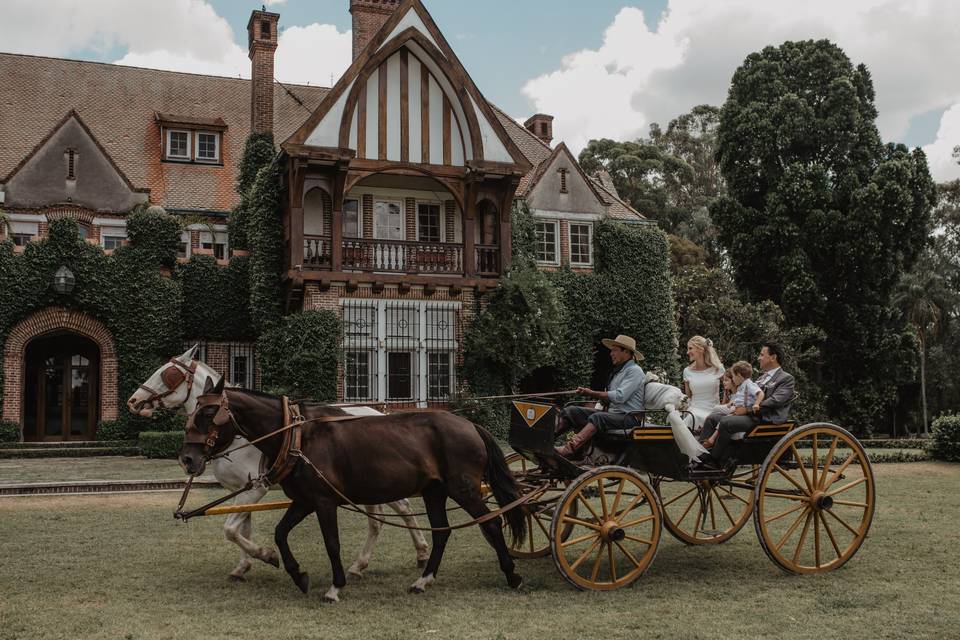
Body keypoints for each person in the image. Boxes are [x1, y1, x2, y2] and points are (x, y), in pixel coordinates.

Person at [696, 341, 796, 469]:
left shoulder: (786, 378)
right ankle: (701, 456)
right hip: (751, 416)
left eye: (761, 355)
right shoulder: (761, 378)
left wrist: (747, 410)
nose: (759, 358)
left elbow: (775, 401)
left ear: (773, 357)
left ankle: (714, 461)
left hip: (765, 419)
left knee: (727, 422)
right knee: (712, 418)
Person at [555, 335, 646, 458]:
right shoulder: (618, 371)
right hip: (614, 415)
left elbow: (620, 396)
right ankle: (546, 442)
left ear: (626, 352)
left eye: (614, 350)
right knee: (571, 411)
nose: (611, 354)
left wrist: (591, 393)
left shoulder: (635, 371)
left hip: (628, 418)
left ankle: (569, 449)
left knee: (598, 417)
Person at [702, 361, 764, 448]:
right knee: (717, 417)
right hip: (736, 409)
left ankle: (712, 441)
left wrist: (756, 404)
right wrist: (731, 403)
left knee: (724, 419)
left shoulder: (749, 384)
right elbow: (739, 398)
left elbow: (760, 393)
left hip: (744, 412)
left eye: (733, 376)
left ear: (738, 375)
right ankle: (709, 441)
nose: (733, 379)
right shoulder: (742, 386)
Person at [682, 336, 725, 431]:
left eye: (690, 348)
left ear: (700, 349)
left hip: (714, 410)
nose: (687, 352)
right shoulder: (687, 371)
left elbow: (729, 389)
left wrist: (723, 406)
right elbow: (688, 396)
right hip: (694, 409)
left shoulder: (718, 369)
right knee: (692, 417)